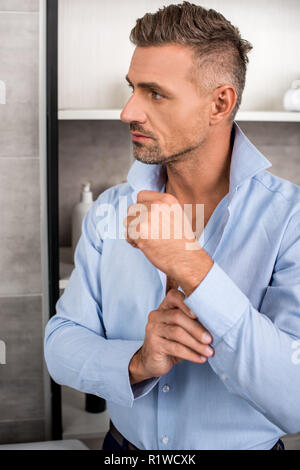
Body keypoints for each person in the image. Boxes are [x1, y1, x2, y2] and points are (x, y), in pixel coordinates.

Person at [43, 2, 300, 450]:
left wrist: (192, 267)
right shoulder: (109, 211)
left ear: (220, 103)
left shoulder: (291, 220)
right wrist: (137, 362)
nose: (127, 112)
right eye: (132, 89)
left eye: (154, 93)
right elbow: (61, 343)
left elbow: (295, 400)